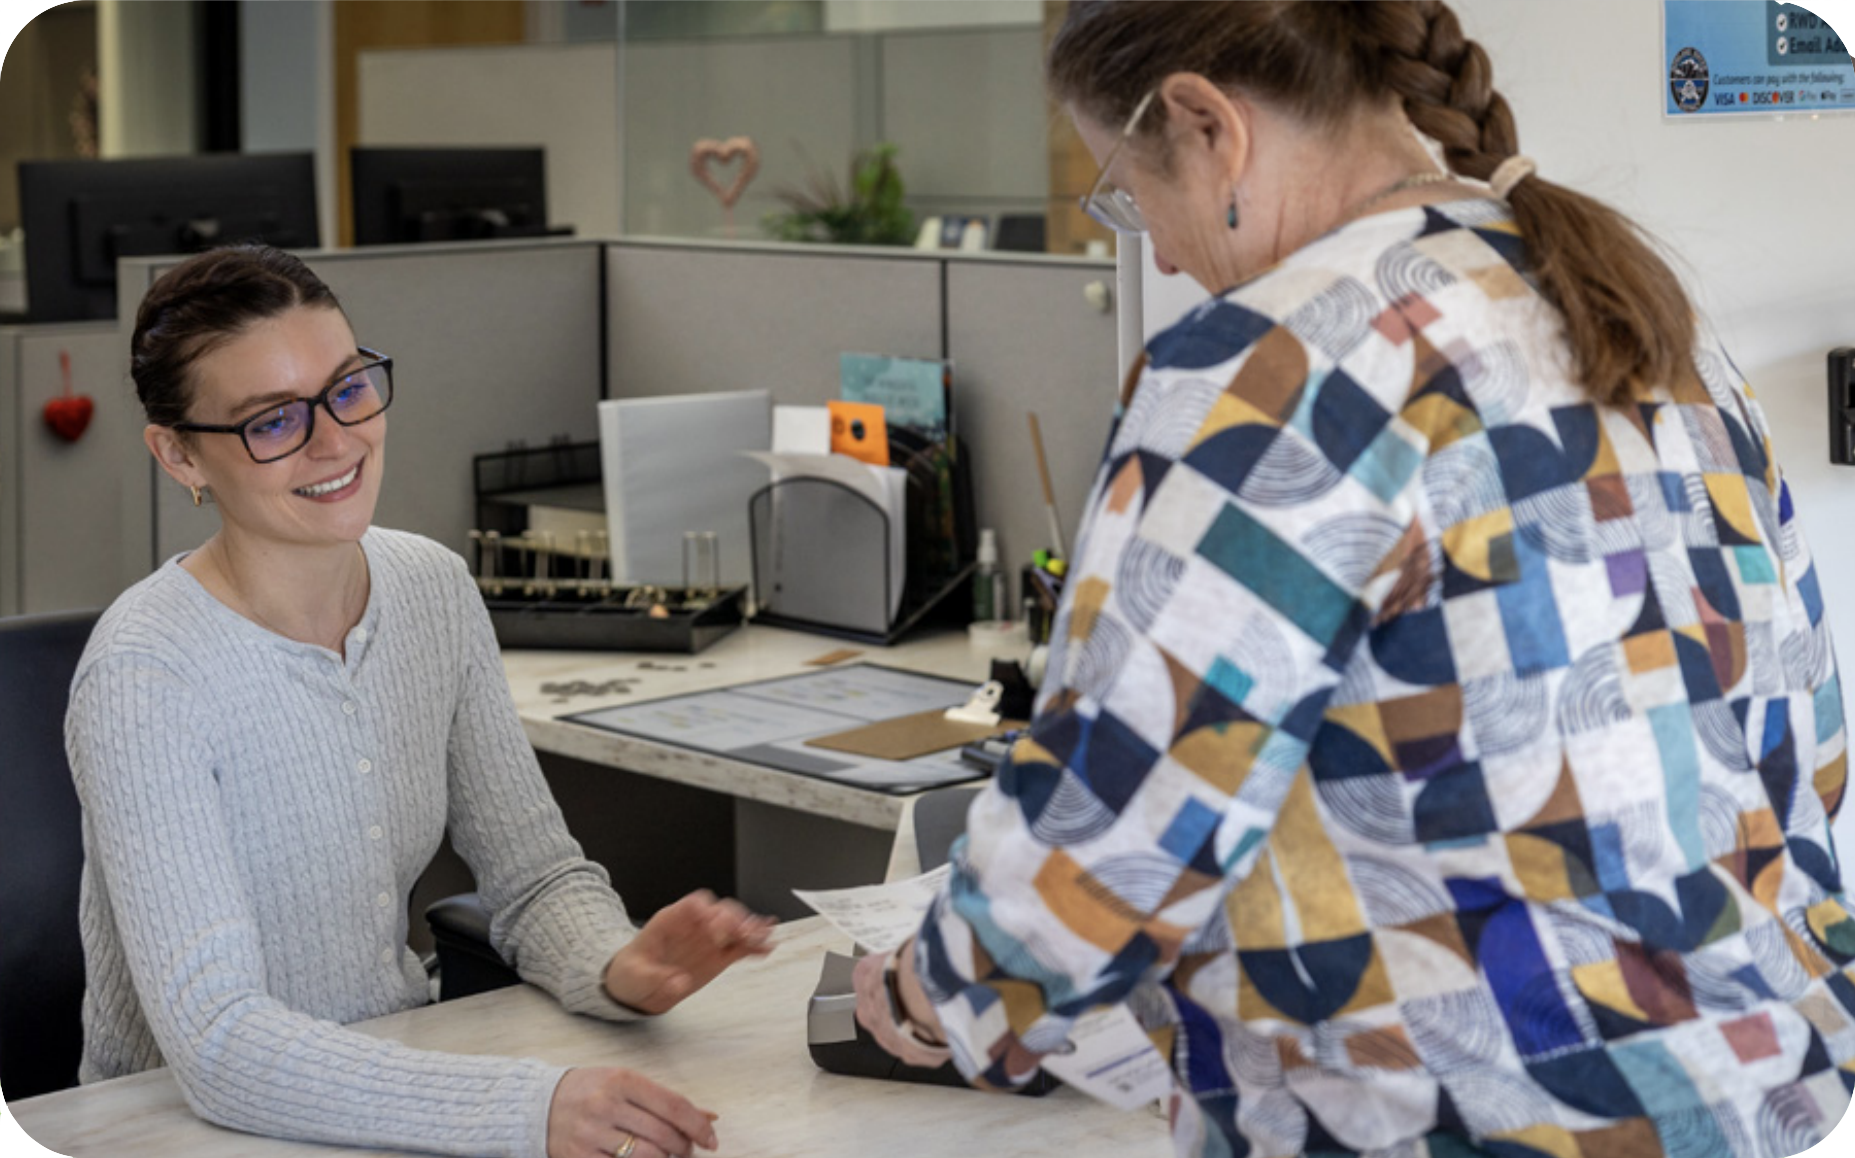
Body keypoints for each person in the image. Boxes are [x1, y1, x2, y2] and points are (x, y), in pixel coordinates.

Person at [853, 3, 1855, 1156]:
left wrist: (927, 993)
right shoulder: (1642, 317)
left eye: (1133, 197)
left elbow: (1108, 822)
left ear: (1204, 120)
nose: (1165, 256)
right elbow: (1806, 756)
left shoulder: (1276, 363)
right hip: (1758, 1108)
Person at [65, 244, 773, 1158]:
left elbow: (534, 877)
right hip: (165, 1132)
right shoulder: (144, 673)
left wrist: (620, 965)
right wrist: (523, 1109)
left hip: (380, 1093)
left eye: (348, 388)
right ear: (177, 454)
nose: (334, 441)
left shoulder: (432, 589)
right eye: (272, 421)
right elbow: (217, 1043)